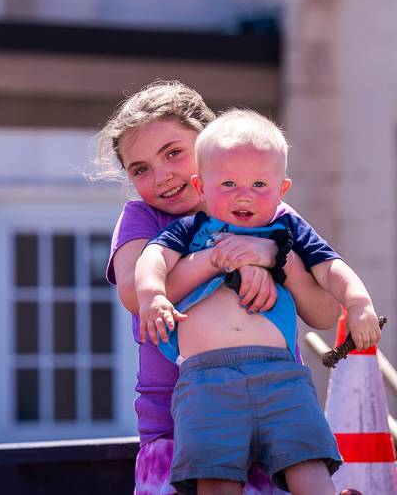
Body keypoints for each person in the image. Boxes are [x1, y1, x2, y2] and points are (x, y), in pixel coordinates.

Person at [95, 81, 342, 495]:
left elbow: (324, 313)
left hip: (275, 421)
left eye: (173, 152)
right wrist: (221, 259)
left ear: (209, 141)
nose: (162, 176)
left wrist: (272, 257)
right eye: (140, 169)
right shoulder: (143, 219)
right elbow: (135, 294)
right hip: (177, 426)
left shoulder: (272, 214)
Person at [135, 109, 381, 494]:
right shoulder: (192, 229)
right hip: (205, 379)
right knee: (214, 477)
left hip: (281, 375)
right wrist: (152, 296)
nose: (244, 194)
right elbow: (153, 259)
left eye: (259, 184)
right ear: (202, 185)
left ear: (282, 190)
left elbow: (331, 268)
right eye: (228, 183)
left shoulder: (287, 228)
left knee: (307, 462)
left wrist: (359, 304)